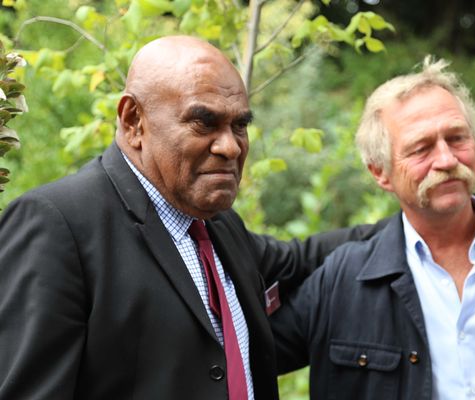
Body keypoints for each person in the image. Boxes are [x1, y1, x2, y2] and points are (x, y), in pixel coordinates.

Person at [0, 36, 386, 400]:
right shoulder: (57, 224)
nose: (230, 146)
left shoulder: (216, 225)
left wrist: (414, 229)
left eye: (240, 125)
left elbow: (299, 259)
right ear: (134, 120)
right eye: (205, 123)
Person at [270, 57, 475, 399]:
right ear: (380, 173)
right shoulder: (341, 281)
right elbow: (240, 359)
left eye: (457, 138)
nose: (446, 160)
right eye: (421, 148)